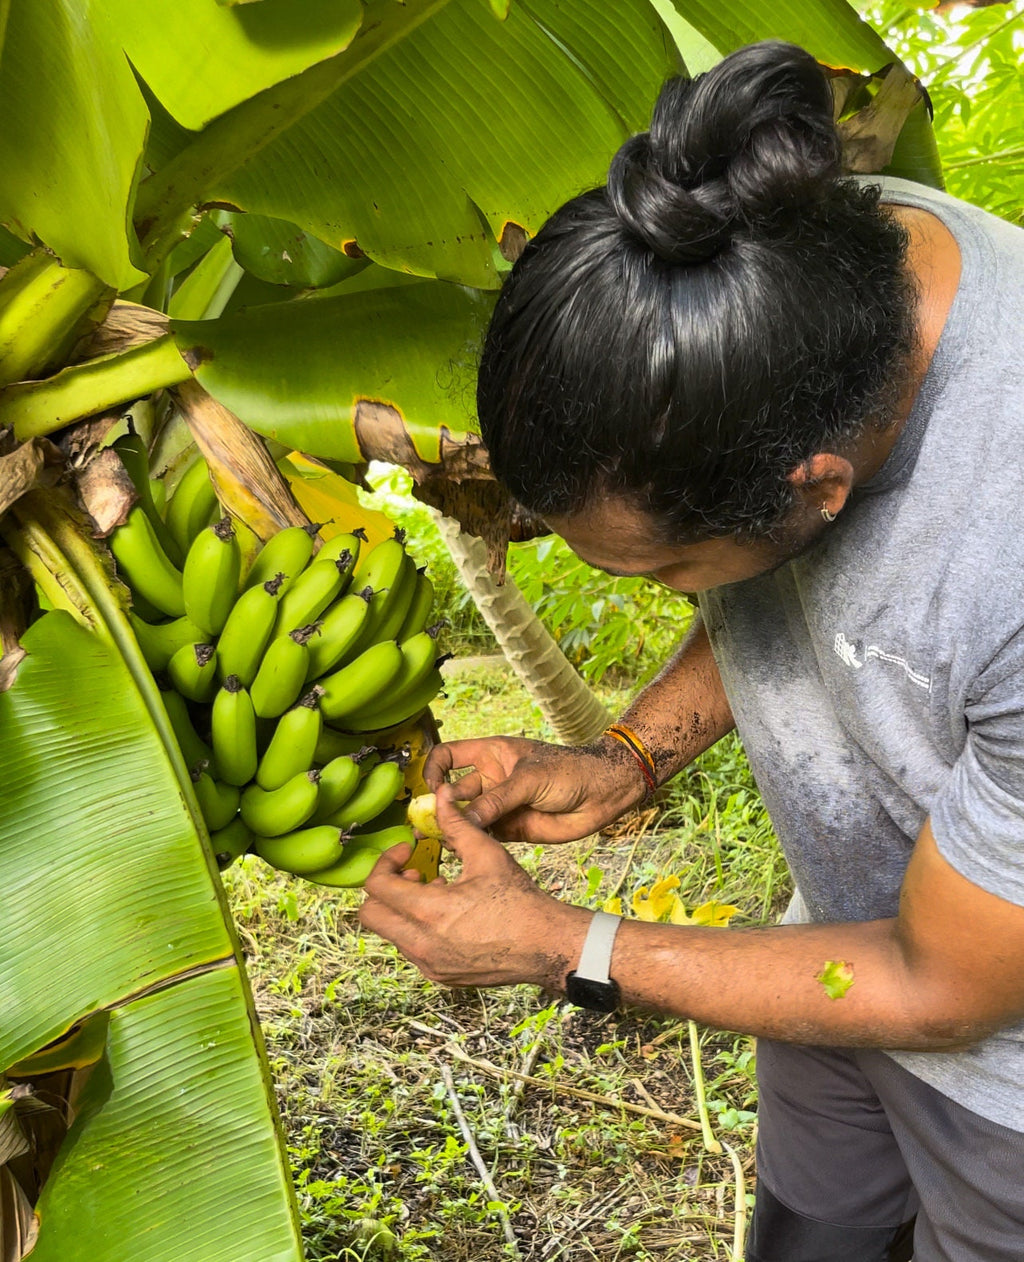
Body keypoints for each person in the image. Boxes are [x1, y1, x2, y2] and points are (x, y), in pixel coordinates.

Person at [359, 40, 1024, 1261]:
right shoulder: (784, 257)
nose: (667, 591)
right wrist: (625, 760)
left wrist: (564, 945)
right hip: (825, 966)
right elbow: (808, 590)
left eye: (662, 570)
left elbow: (944, 985)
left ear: (815, 487)